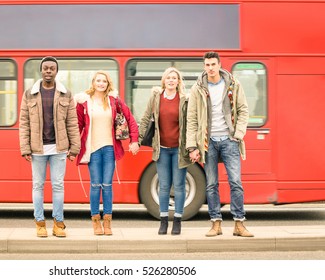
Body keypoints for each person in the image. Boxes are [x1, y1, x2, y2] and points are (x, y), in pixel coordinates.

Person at [186, 51, 253, 237]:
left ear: (219, 64)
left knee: (236, 182)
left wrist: (238, 135)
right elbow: (191, 118)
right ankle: (215, 223)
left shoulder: (233, 84)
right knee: (211, 184)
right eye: (207, 65)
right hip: (208, 143)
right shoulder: (197, 88)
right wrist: (192, 146)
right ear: (204, 66)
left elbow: (243, 110)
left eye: (213, 64)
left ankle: (239, 224)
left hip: (229, 141)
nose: (210, 68)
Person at [19, 56, 80, 238]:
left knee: (58, 186)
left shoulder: (65, 93)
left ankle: (58, 223)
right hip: (37, 149)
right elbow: (24, 122)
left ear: (56, 71)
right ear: (41, 70)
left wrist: (74, 148)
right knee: (37, 186)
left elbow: (72, 122)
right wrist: (25, 148)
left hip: (59, 148)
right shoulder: (29, 93)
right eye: (45, 68)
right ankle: (40, 223)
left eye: (51, 68)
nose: (48, 71)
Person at [75, 70, 139, 236]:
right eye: (98, 81)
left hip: (110, 148)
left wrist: (134, 140)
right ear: (93, 83)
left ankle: (108, 222)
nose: (101, 83)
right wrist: (73, 146)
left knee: (107, 185)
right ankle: (96, 221)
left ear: (107, 83)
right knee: (96, 185)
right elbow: (77, 126)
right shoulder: (84, 102)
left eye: (104, 81)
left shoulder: (114, 100)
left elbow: (130, 118)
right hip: (93, 149)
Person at [138, 67, 191, 235]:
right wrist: (137, 140)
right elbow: (146, 118)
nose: (171, 80)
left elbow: (191, 123)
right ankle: (163, 222)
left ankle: (177, 221)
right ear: (164, 80)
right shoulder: (156, 98)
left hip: (179, 150)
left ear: (178, 81)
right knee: (164, 186)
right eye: (168, 78)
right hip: (161, 150)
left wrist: (192, 147)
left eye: (174, 78)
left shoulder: (184, 99)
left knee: (180, 185)